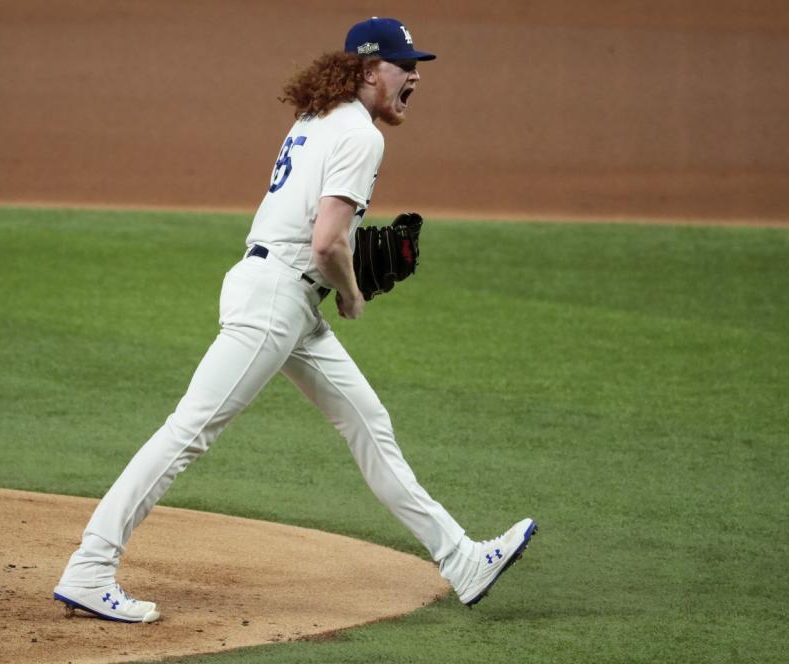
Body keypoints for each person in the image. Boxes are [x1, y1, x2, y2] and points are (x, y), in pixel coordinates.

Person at [53, 17, 536, 624]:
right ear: (367, 70)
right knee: (188, 432)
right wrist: (353, 294)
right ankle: (91, 568)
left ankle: (462, 559)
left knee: (369, 424)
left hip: (283, 296)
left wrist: (331, 283)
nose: (415, 74)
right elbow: (329, 243)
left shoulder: (317, 117)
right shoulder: (362, 135)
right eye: (403, 64)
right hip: (277, 298)